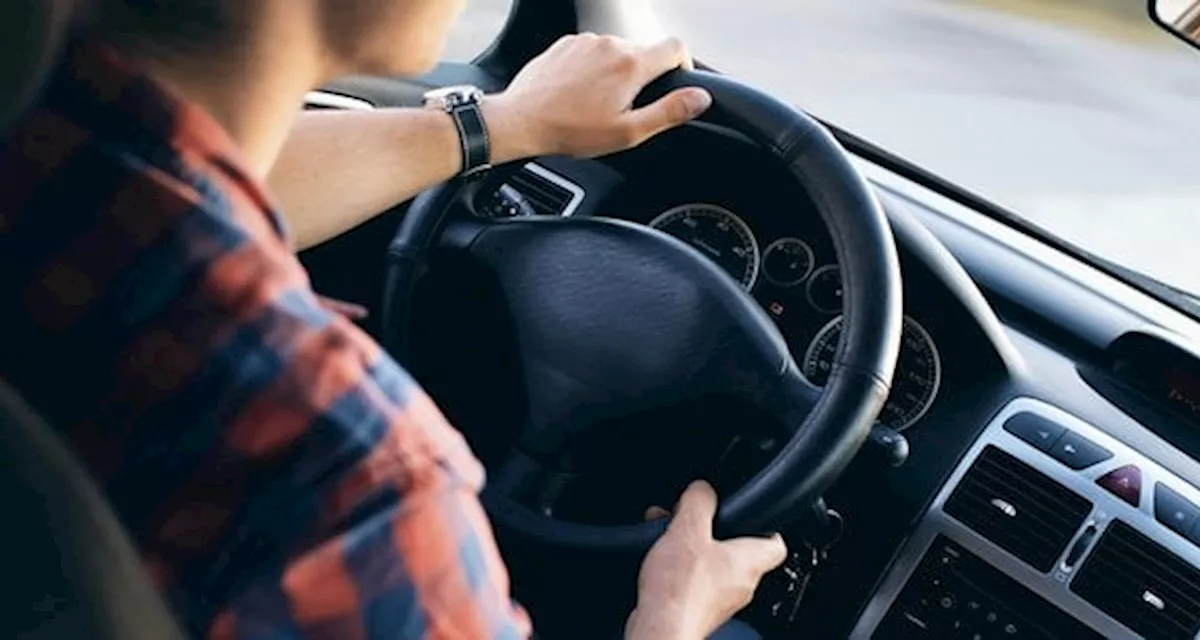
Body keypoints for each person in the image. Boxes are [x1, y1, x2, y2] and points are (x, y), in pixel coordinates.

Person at [0, 0, 788, 639]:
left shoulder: (43, 143)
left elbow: (192, 183)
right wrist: (671, 620)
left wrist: (502, 125)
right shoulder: (346, 483)